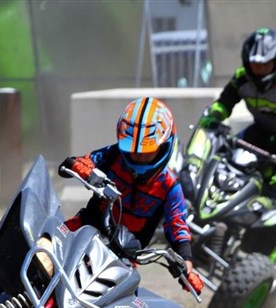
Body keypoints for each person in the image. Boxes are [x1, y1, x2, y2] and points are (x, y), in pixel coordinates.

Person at [59, 97, 203, 295]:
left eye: (147, 151)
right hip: (85, 228)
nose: (139, 155)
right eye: (132, 150)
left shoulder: (170, 186)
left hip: (124, 256)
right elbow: (75, 163)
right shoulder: (113, 155)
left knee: (121, 303)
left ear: (164, 145)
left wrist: (187, 268)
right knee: (45, 246)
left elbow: (178, 229)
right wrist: (82, 167)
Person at [198, 27, 276, 205]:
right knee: (224, 161)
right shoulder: (241, 78)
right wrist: (213, 116)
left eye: (266, 64)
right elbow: (224, 103)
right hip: (260, 134)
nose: (261, 70)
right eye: (255, 65)